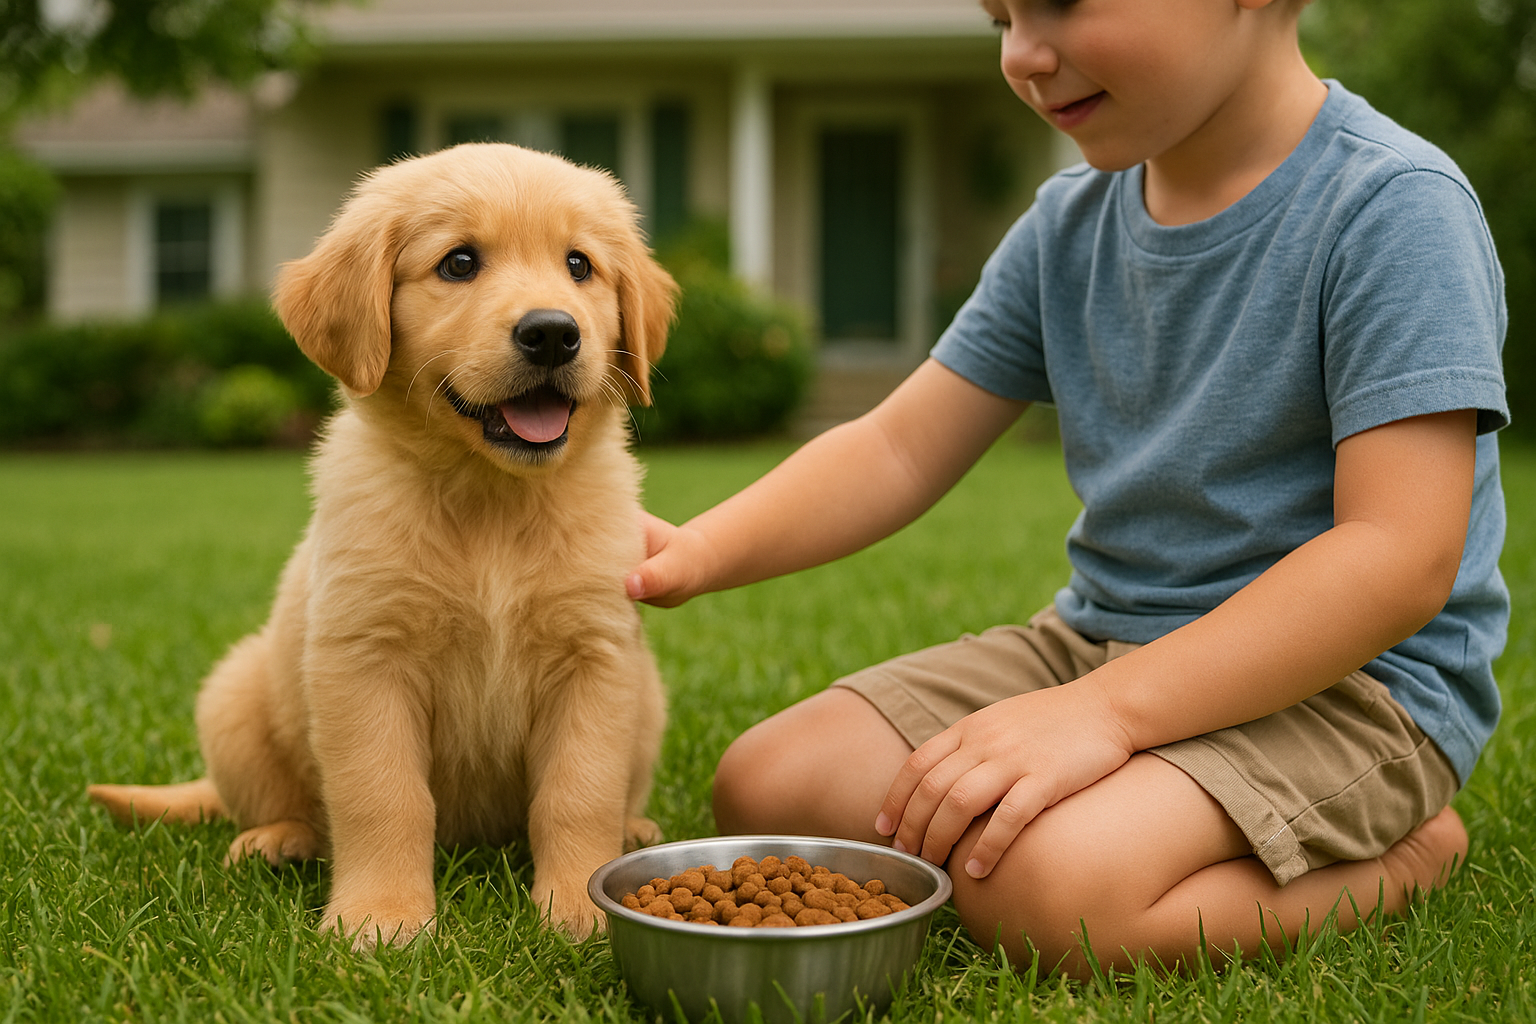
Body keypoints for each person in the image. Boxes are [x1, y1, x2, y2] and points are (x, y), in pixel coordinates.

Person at [625, 0, 1509, 978]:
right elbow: (899, 448)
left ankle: (1408, 854)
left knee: (1053, 894)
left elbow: (1399, 555)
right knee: (771, 784)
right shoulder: (1068, 225)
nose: (1022, 55)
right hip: (1098, 643)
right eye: (999, 15)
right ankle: (1127, 793)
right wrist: (695, 549)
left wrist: (1107, 717)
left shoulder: (1394, 207)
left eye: (1057, 3)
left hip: (1346, 688)